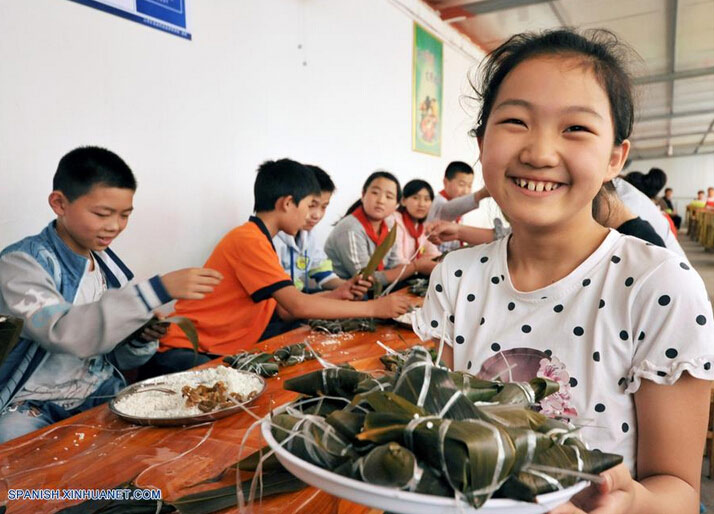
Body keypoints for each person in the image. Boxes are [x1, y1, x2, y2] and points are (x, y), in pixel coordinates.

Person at [413, 29, 713, 513]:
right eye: (514, 121)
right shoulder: (455, 278)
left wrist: (630, 500)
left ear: (615, 157)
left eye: (575, 128)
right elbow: (443, 432)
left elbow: (679, 491)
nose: (539, 152)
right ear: (481, 140)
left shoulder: (659, 287)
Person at [0, 147, 223, 443]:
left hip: (97, 392)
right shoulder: (21, 265)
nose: (115, 226)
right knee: (18, 465)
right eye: (102, 214)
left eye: (125, 215)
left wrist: (139, 337)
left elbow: (115, 356)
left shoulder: (109, 269)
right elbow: (64, 331)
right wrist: (155, 291)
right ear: (59, 203)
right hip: (30, 405)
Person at [156, 160, 411, 375]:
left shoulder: (260, 239)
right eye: (310, 205)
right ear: (287, 203)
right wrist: (375, 308)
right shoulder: (249, 241)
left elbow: (285, 310)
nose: (312, 215)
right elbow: (298, 306)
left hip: (215, 345)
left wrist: (337, 294)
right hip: (188, 351)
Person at [324, 171, 436, 286]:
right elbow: (365, 278)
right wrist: (416, 266)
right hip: (343, 296)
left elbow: (394, 264)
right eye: (375, 193)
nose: (381, 200)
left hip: (373, 293)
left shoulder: (389, 228)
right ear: (363, 195)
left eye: (389, 196)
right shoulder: (350, 228)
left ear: (396, 205)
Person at [273, 165, 346, 293]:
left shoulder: (309, 234)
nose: (317, 215)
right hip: (284, 301)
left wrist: (347, 286)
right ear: (289, 202)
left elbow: (321, 271)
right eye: (311, 205)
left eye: (324, 207)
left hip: (298, 297)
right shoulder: (273, 239)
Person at [426, 161, 492, 251]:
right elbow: (449, 209)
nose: (466, 191)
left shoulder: (457, 205)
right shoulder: (438, 203)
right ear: (445, 182)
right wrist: (480, 194)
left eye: (469, 186)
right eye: (462, 184)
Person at [392, 179, 440, 264]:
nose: (422, 204)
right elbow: (396, 261)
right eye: (415, 198)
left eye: (427, 199)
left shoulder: (422, 227)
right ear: (403, 201)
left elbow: (434, 255)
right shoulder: (394, 221)